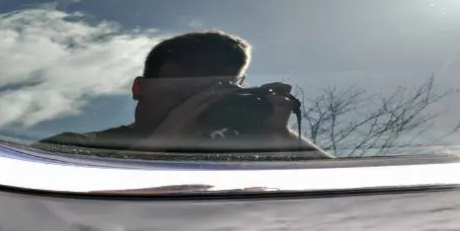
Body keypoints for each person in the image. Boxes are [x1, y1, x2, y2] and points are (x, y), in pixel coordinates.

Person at [41, 31, 327, 157]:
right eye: (179, 93)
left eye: (217, 92)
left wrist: (281, 137)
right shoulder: (78, 148)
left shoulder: (249, 148)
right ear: (139, 89)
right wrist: (163, 141)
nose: (195, 106)